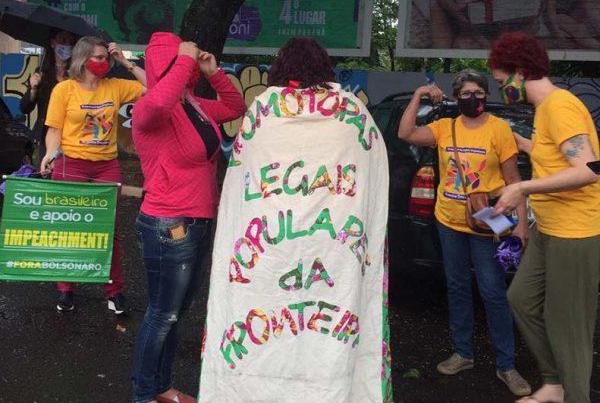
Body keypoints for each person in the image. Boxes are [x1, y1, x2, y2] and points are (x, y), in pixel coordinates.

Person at [198, 37, 391, 403]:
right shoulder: (353, 112)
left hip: (268, 247)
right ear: (324, 67)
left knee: (263, 313)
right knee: (325, 337)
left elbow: (241, 179)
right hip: (333, 247)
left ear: (281, 68)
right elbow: (372, 176)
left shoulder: (263, 111)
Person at [397, 69, 531, 396]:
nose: (473, 99)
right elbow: (405, 133)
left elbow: (514, 181)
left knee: (493, 292)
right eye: (466, 94)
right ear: (457, 98)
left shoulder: (499, 129)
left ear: (486, 95)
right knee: (457, 288)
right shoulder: (446, 127)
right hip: (449, 222)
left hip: (487, 222)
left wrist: (521, 226)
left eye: (479, 93)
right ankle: (463, 354)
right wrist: (418, 96)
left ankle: (506, 365)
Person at [130, 32, 246, 403]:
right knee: (162, 314)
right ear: (168, 64)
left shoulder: (193, 104)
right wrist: (182, 59)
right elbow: (159, 99)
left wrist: (214, 73)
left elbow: (235, 107)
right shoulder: (149, 108)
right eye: (184, 62)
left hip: (198, 220)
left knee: (175, 314)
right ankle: (143, 394)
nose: (190, 66)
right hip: (168, 225)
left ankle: (161, 387)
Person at [488, 32, 600, 403]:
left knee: (568, 324)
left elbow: (588, 170)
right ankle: (554, 384)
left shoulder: (560, 106)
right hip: (550, 229)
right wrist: (520, 142)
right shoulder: (546, 109)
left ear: (520, 73)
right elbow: (554, 154)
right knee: (521, 299)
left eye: (502, 81)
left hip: (575, 231)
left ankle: (575, 395)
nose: (502, 88)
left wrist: (521, 188)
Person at [42, 35, 147, 314]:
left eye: (107, 58)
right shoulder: (64, 90)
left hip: (106, 166)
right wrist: (50, 153)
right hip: (71, 165)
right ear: (83, 58)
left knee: (107, 230)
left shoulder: (116, 86)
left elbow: (155, 88)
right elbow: (54, 130)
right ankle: (66, 289)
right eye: (99, 57)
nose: (104, 62)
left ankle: (114, 290)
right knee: (69, 229)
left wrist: (126, 62)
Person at [20, 30, 77, 162]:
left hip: (72, 133)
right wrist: (33, 89)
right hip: (45, 134)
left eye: (71, 42)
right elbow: (25, 108)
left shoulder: (77, 74)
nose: (67, 44)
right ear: (52, 43)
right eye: (63, 40)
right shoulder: (42, 72)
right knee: (46, 169)